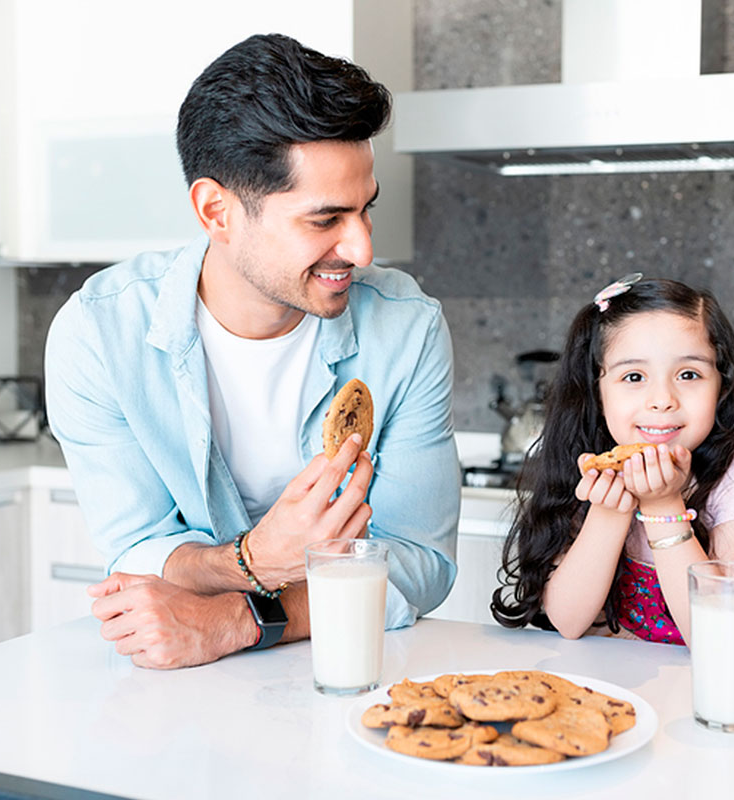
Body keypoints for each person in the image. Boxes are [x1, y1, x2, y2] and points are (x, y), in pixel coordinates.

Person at [44, 34, 460, 669]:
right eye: (325, 220)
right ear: (217, 210)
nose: (362, 250)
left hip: (348, 672)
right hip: (177, 684)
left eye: (365, 211)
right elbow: (136, 552)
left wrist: (238, 617)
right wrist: (258, 561)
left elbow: (421, 564)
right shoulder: (99, 337)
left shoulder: (407, 328)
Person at [491, 276, 734, 651]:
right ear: (596, 391)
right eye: (633, 376)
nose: (662, 399)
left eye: (689, 374)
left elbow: (721, 638)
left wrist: (663, 507)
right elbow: (568, 621)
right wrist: (608, 513)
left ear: (721, 385)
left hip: (722, 685)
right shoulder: (593, 467)